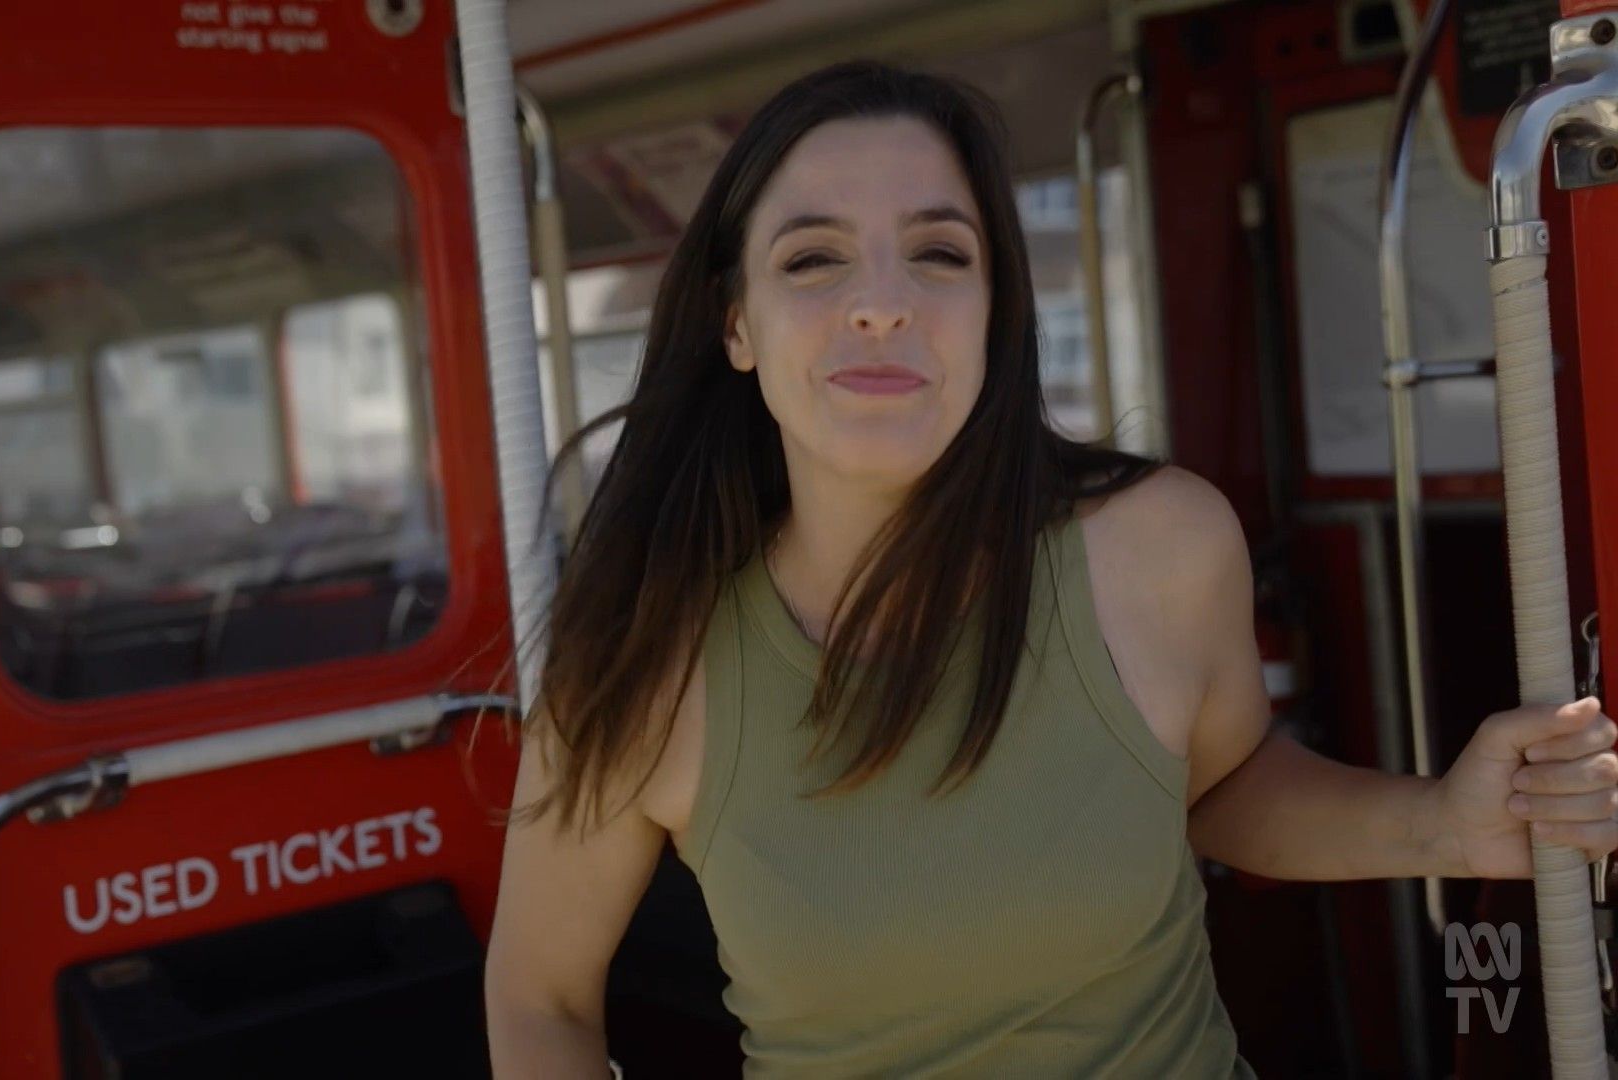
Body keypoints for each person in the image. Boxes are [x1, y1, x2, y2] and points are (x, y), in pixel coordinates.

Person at [481, 61, 1618, 1078]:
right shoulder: (644, 655)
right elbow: (539, 1003)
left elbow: (1214, 789)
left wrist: (1447, 826)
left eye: (939, 253)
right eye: (813, 259)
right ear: (736, 324)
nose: (880, 304)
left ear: (996, 313)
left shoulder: (1161, 547)